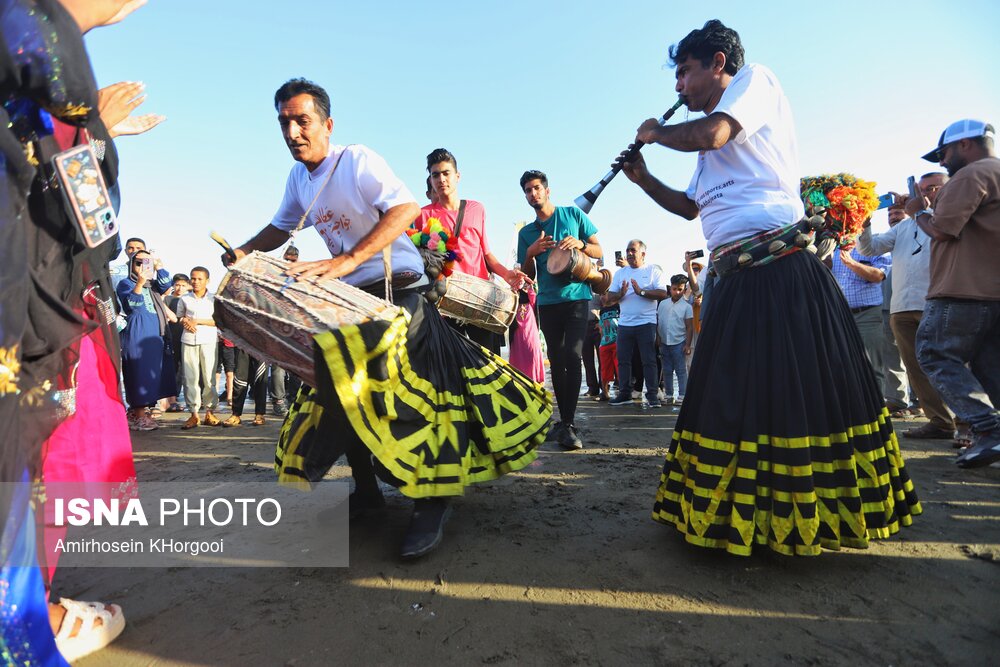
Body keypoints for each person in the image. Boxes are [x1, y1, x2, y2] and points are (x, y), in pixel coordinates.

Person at [618, 19, 920, 555]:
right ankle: (739, 519)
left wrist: (655, 134)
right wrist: (643, 179)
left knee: (788, 395)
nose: (678, 87)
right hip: (733, 277)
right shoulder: (710, 145)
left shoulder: (754, 82)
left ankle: (806, 518)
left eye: (684, 72)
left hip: (779, 272)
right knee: (736, 397)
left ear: (718, 63)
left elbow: (711, 133)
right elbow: (692, 208)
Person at [227, 78, 549, 559]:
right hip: (350, 302)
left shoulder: (356, 160)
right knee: (347, 396)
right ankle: (368, 492)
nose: (293, 132)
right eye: (285, 123)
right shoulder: (298, 180)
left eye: (303, 121)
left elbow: (402, 210)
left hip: (403, 295)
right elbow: (280, 226)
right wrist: (245, 252)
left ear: (327, 124)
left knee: (422, 404)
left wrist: (347, 259)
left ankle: (433, 501)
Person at [907, 119, 1000, 468]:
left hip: (962, 290)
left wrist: (919, 212)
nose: (943, 162)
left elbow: (943, 230)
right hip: (991, 291)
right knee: (989, 367)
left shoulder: (972, 174)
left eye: (943, 154)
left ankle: (989, 430)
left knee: (933, 353)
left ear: (965, 145)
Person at [857, 176, 959, 441]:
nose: (925, 194)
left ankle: (969, 424)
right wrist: (864, 221)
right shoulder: (902, 228)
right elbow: (869, 248)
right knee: (915, 368)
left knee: (949, 365)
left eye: (931, 189)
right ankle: (940, 422)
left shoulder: (946, 218)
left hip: (936, 302)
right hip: (901, 307)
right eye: (921, 189)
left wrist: (921, 209)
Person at [516, 170, 603, 450]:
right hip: (548, 303)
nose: (533, 194)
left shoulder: (572, 215)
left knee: (573, 357)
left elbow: (599, 250)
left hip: (577, 298)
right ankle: (565, 423)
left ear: (547, 190)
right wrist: (530, 253)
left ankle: (567, 422)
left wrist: (581, 244)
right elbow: (528, 275)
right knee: (557, 360)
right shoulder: (527, 233)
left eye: (537, 188)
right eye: (528, 190)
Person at [416, 148, 527, 353]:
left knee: (486, 363)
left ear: (457, 176)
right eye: (435, 175)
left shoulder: (477, 209)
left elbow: (486, 254)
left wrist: (507, 274)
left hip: (481, 299)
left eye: (446, 173)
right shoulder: (422, 215)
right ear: (430, 180)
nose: (441, 179)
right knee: (452, 366)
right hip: (445, 304)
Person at [116, 249, 176, 431]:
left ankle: (138, 413)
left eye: (146, 262)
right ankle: (139, 414)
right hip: (137, 332)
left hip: (156, 334)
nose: (142, 266)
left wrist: (159, 266)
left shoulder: (154, 285)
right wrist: (140, 283)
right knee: (138, 371)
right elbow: (132, 305)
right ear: (131, 265)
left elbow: (167, 285)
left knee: (154, 373)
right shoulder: (126, 283)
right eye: (138, 262)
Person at [604, 239, 668, 408]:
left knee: (649, 360)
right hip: (625, 324)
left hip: (646, 323)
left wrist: (641, 291)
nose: (629, 253)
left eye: (633, 250)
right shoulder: (620, 273)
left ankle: (653, 395)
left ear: (643, 254)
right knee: (623, 360)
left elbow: (662, 293)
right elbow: (609, 298)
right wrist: (621, 294)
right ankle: (625, 394)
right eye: (628, 250)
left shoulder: (652, 270)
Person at [829, 246, 891, 400]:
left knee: (871, 365)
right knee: (840, 364)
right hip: (839, 315)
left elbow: (878, 276)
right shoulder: (832, 246)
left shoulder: (873, 246)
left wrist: (852, 263)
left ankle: (877, 412)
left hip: (867, 315)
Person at [176, 266, 220, 429]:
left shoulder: (214, 298)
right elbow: (180, 317)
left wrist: (197, 321)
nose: (195, 282)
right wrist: (185, 321)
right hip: (188, 340)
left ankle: (210, 411)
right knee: (190, 378)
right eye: (193, 278)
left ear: (207, 280)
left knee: (209, 378)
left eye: (199, 279)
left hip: (208, 340)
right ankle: (194, 414)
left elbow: (219, 321)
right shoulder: (185, 299)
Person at [657, 274, 694, 405]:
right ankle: (668, 394)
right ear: (670, 288)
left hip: (679, 342)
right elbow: (659, 322)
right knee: (666, 370)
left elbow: (689, 327)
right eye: (674, 289)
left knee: (680, 370)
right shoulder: (662, 304)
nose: (677, 292)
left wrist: (688, 345)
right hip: (664, 342)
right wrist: (658, 339)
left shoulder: (687, 307)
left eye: (680, 289)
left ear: (684, 289)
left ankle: (682, 394)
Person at [163, 273, 191, 413]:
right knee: (172, 367)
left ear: (188, 286)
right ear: (173, 285)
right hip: (171, 337)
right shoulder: (167, 300)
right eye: (177, 285)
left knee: (184, 368)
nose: (180, 288)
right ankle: (171, 397)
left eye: (183, 285)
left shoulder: (189, 300)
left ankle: (181, 396)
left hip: (186, 337)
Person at [597, 299, 620, 401]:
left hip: (617, 342)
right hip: (605, 342)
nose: (603, 297)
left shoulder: (618, 307)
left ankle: (623, 391)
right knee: (604, 369)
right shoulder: (602, 310)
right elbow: (601, 327)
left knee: (619, 367)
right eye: (601, 294)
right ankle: (605, 392)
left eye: (605, 294)